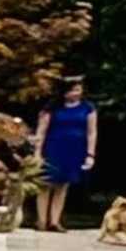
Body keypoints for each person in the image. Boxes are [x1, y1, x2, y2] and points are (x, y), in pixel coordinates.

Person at [35, 75, 99, 228]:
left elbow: (92, 132)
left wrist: (90, 154)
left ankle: (55, 221)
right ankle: (42, 220)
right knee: (45, 183)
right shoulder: (52, 108)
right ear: (64, 92)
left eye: (78, 90)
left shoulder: (88, 108)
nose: (75, 93)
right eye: (72, 90)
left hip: (74, 150)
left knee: (63, 185)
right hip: (53, 148)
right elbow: (41, 131)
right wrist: (37, 153)